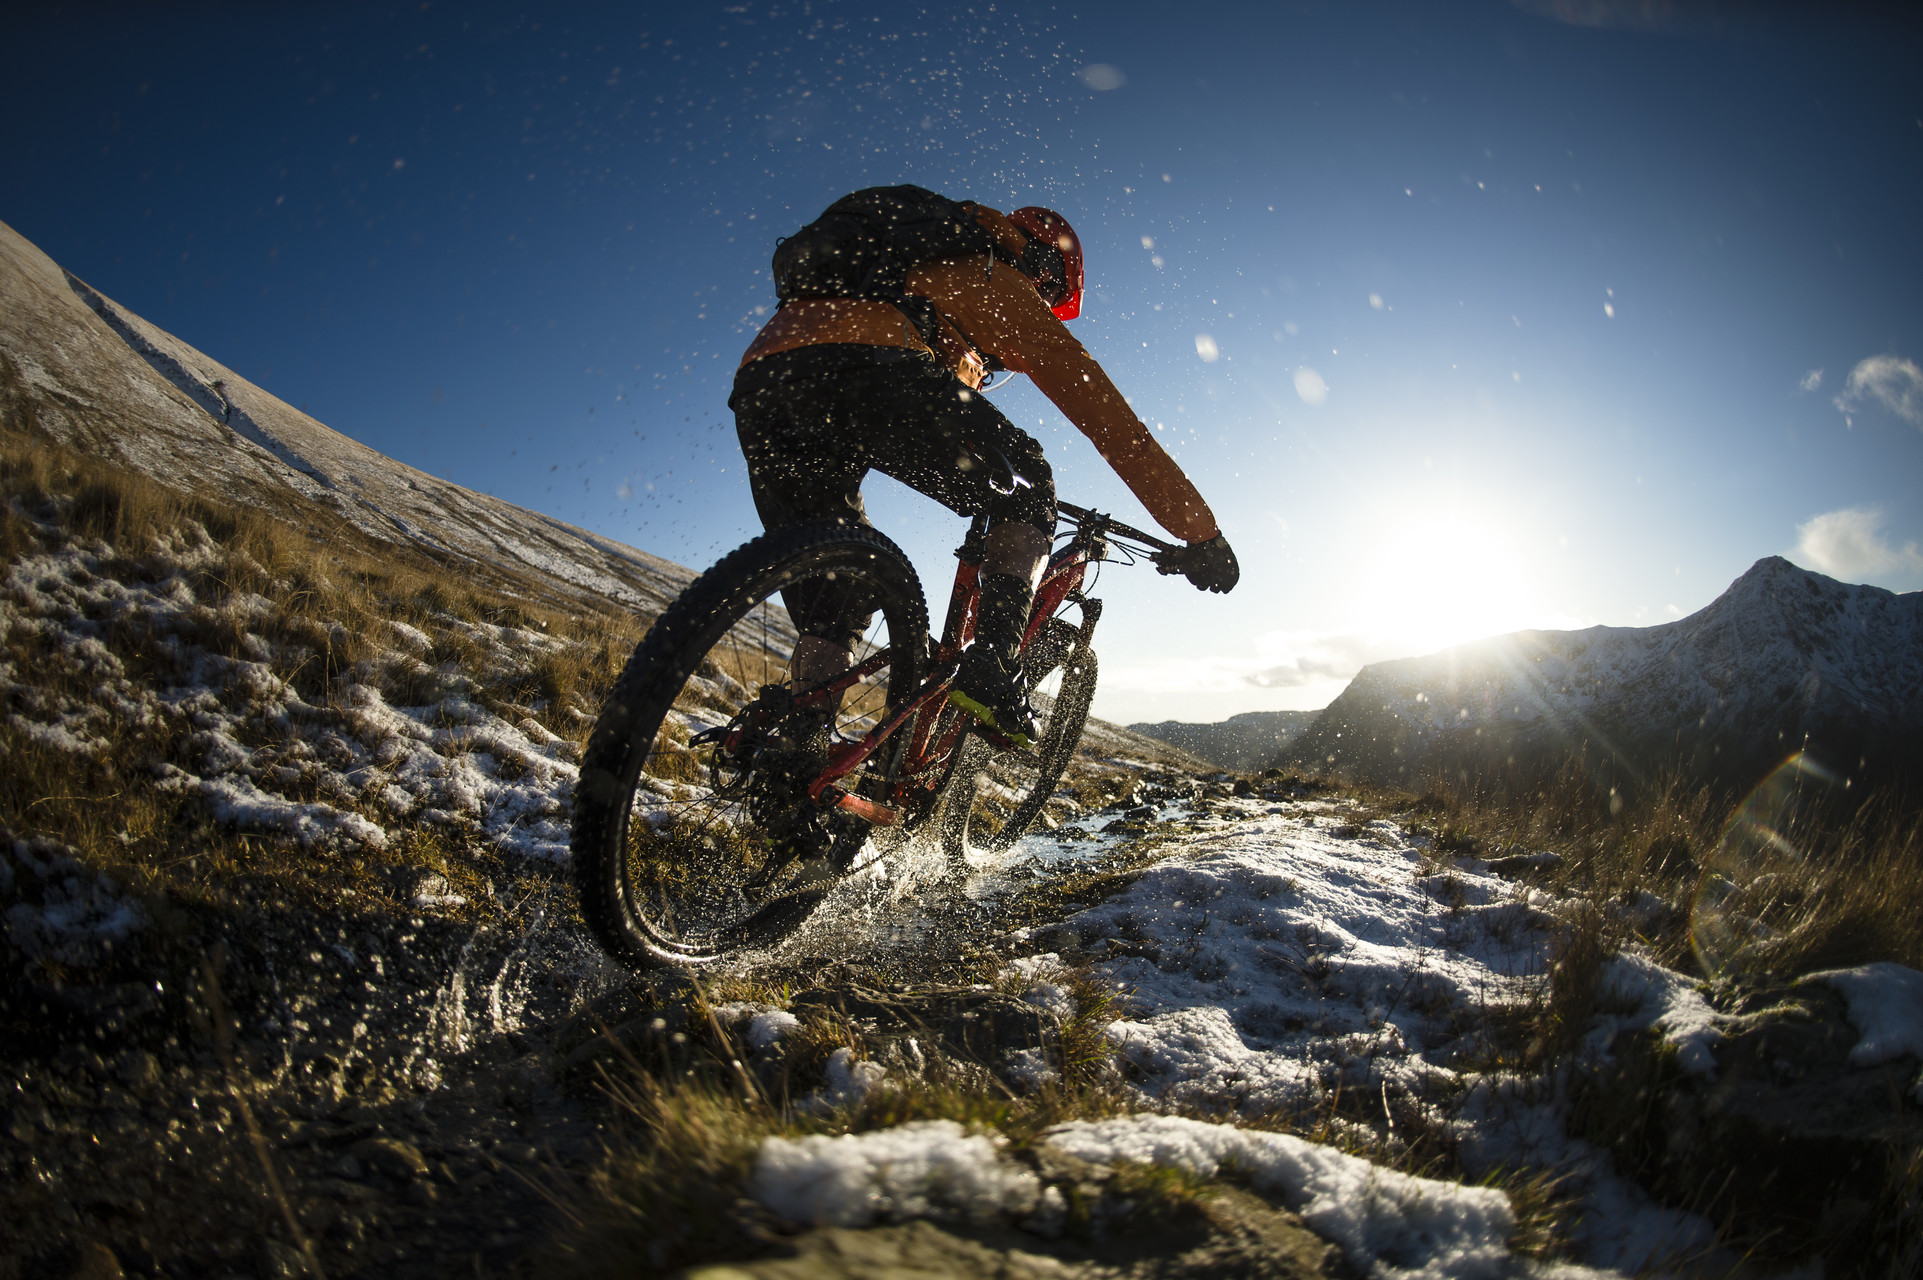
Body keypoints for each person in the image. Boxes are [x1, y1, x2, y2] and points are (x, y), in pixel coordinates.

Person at [729, 190, 1238, 749]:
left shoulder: (910, 268)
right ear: (1042, 266)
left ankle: (796, 759)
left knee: (836, 593)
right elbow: (1111, 422)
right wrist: (1199, 532)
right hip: (872, 365)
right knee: (1027, 485)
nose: (1042, 307)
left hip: (766, 384)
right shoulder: (991, 272)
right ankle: (994, 670)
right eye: (1049, 297)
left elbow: (937, 384)